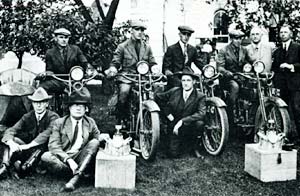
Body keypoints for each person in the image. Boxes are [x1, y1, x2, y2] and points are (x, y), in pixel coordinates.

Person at [41, 87, 110, 192]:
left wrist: (102, 137)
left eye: (82, 106)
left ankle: (76, 178)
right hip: (64, 158)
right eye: (75, 105)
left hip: (80, 156)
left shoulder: (90, 122)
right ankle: (80, 172)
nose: (78, 109)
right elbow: (54, 146)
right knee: (46, 156)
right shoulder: (59, 123)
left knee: (95, 142)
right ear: (69, 108)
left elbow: (95, 141)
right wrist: (69, 160)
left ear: (86, 109)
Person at [104, 20, 157, 123]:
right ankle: (121, 119)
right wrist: (113, 68)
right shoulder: (122, 46)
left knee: (156, 92)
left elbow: (152, 61)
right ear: (131, 31)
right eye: (137, 29)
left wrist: (155, 68)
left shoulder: (147, 47)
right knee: (124, 92)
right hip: (126, 77)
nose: (140, 32)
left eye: (142, 30)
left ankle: (155, 119)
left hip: (143, 77)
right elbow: (116, 62)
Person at [0, 87, 59, 179]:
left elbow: (47, 133)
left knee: (25, 169)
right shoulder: (27, 116)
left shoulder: (53, 117)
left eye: (42, 102)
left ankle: (17, 167)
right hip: (27, 149)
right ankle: (4, 167)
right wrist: (11, 143)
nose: (38, 105)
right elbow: (11, 130)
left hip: (44, 151)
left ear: (46, 104)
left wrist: (28, 145)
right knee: (12, 140)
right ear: (32, 103)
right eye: (35, 102)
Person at [155, 67, 206, 158]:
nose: (185, 83)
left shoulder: (200, 96)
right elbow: (158, 98)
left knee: (200, 123)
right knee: (173, 154)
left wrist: (183, 121)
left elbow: (201, 113)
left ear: (193, 82)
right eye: (183, 80)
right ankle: (178, 143)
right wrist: (167, 114)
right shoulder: (174, 91)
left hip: (189, 125)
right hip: (174, 126)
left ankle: (194, 147)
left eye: (188, 80)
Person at [39, 28, 94, 94]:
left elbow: (84, 62)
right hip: (58, 81)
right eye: (61, 37)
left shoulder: (75, 49)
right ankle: (44, 104)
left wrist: (89, 70)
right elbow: (49, 69)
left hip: (74, 81)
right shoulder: (50, 53)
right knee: (42, 87)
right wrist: (48, 73)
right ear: (56, 38)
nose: (64, 40)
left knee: (86, 96)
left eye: (66, 38)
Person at [216, 29, 249, 131]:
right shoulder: (224, 50)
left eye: (240, 38)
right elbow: (219, 67)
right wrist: (227, 73)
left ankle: (249, 114)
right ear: (231, 39)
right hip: (228, 79)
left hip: (241, 77)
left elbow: (247, 62)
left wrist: (247, 66)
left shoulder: (244, 50)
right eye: (236, 38)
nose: (238, 41)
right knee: (234, 87)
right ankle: (230, 113)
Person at [272, 24, 300, 140]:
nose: (283, 34)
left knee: (297, 109)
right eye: (281, 32)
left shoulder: (298, 47)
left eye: (285, 32)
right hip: (282, 86)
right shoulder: (277, 51)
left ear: (291, 34)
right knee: (283, 110)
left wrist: (291, 66)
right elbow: (274, 68)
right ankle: (286, 135)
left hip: (295, 85)